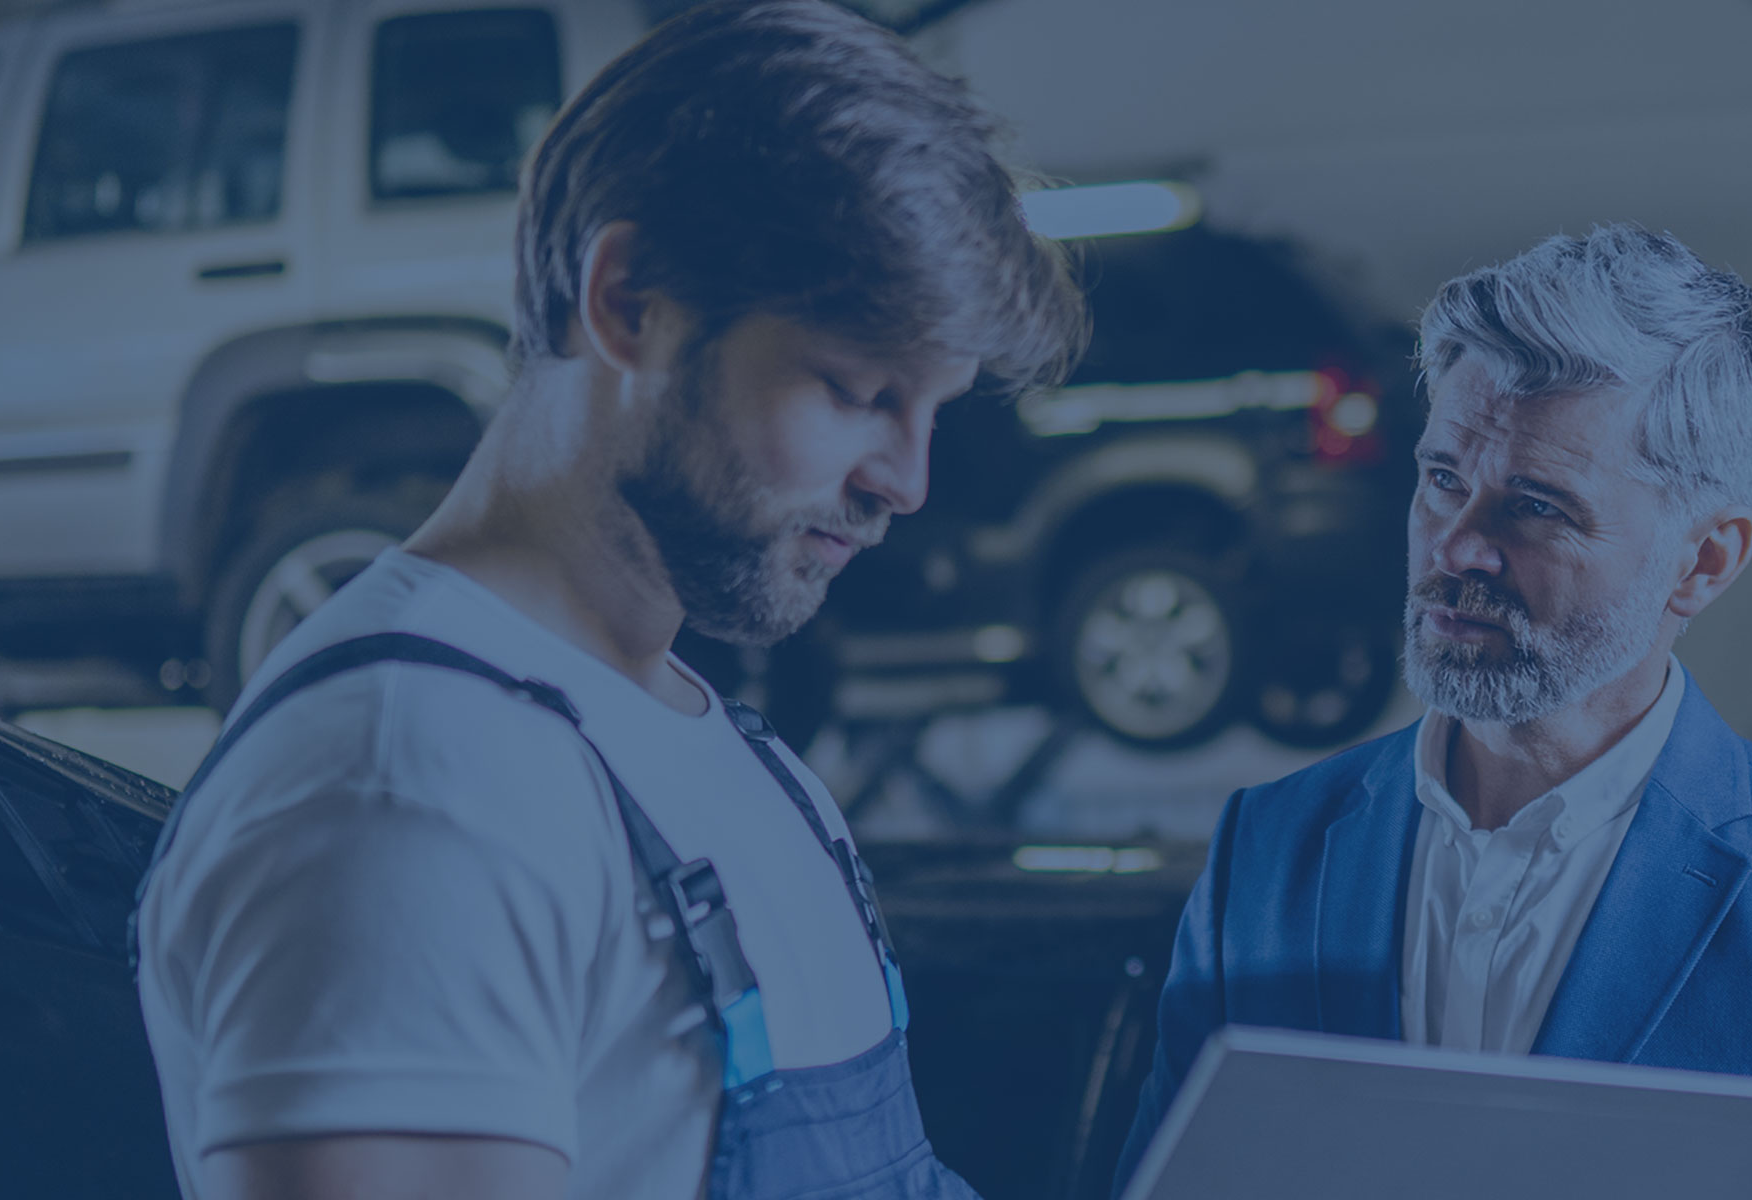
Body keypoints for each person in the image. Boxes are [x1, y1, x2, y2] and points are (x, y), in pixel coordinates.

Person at [130, 3, 1083, 1198]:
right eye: (855, 389)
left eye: (931, 408)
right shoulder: (408, 788)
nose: (906, 480)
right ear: (629, 301)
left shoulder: (732, 761)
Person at [1115, 225, 1752, 1198]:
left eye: (1536, 507)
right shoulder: (1268, 855)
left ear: (1704, 560)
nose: (1457, 549)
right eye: (1441, 482)